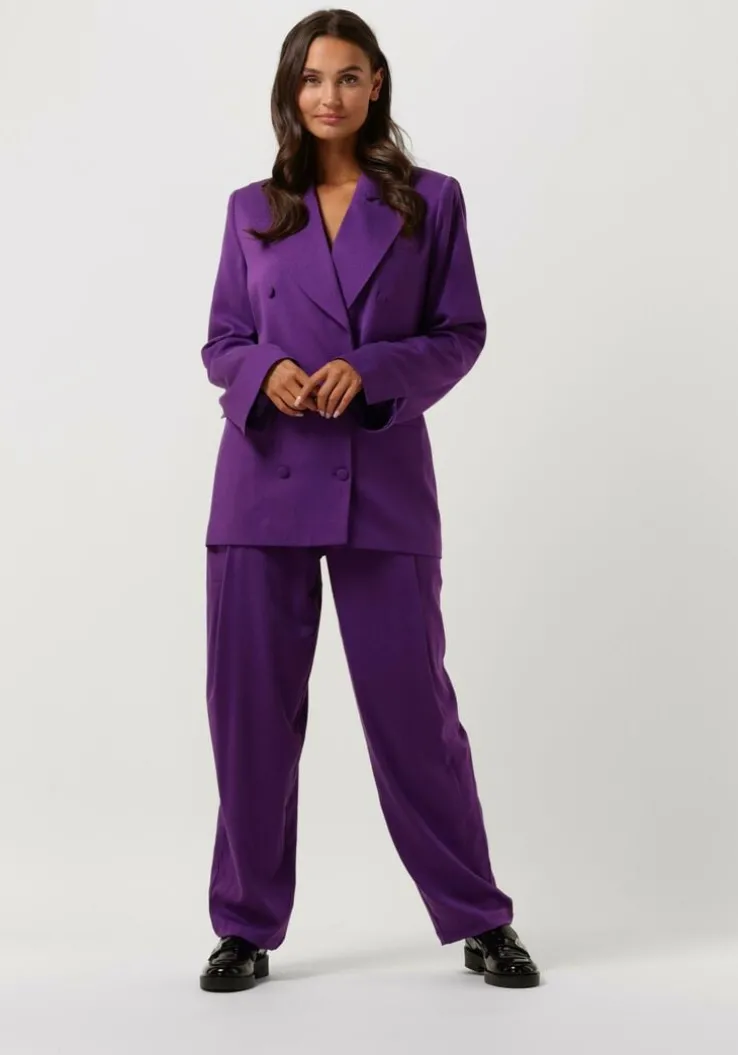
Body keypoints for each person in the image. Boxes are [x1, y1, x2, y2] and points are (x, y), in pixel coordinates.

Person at [198, 8, 541, 993]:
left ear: (375, 84)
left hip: (381, 479)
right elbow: (221, 339)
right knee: (251, 717)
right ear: (291, 89)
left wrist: (373, 369)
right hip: (263, 484)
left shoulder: (431, 202)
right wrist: (264, 371)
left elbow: (461, 331)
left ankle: (479, 916)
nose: (329, 96)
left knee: (415, 713)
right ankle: (244, 926)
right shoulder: (251, 208)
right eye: (312, 79)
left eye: (348, 77)